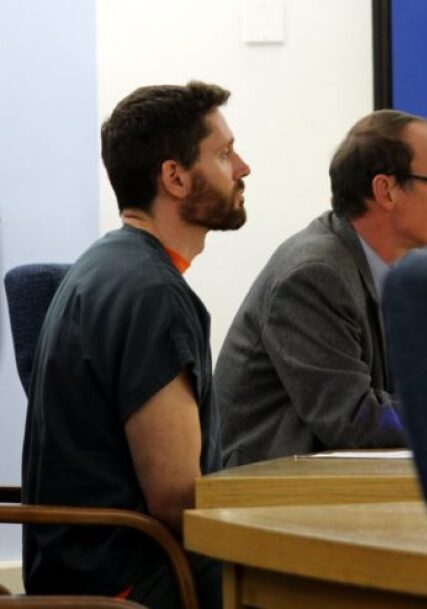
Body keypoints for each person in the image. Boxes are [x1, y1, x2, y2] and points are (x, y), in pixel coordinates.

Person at [22, 81, 251, 608]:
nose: (242, 167)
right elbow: (175, 497)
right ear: (174, 176)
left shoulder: (104, 265)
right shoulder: (153, 295)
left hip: (81, 565)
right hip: (136, 576)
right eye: (223, 153)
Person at [216, 109, 427, 466]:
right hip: (269, 499)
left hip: (332, 485)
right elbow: (353, 420)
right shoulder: (315, 274)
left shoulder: (397, 267)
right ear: (386, 191)